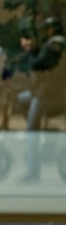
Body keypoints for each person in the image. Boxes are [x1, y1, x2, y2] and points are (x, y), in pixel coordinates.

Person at [20, 17, 66, 180]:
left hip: (45, 94)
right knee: (20, 98)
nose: (44, 32)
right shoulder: (58, 44)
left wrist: (29, 51)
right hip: (51, 92)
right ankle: (42, 130)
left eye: (45, 29)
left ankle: (33, 172)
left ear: (51, 30)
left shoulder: (55, 44)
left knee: (31, 131)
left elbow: (38, 64)